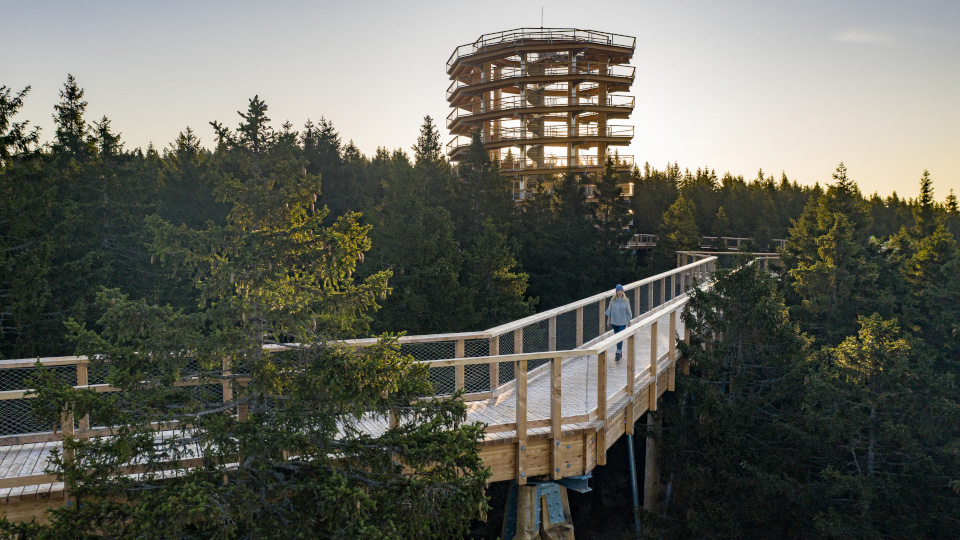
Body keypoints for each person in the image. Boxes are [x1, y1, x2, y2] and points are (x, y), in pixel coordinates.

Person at [605, 284, 632, 361]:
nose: (620, 292)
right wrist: (608, 320)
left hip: (623, 322)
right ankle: (619, 351)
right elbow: (609, 310)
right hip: (614, 321)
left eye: (621, 290)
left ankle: (617, 353)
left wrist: (629, 321)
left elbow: (628, 311)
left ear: (622, 291)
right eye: (618, 290)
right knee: (617, 337)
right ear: (616, 292)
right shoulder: (613, 300)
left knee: (620, 336)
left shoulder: (626, 300)